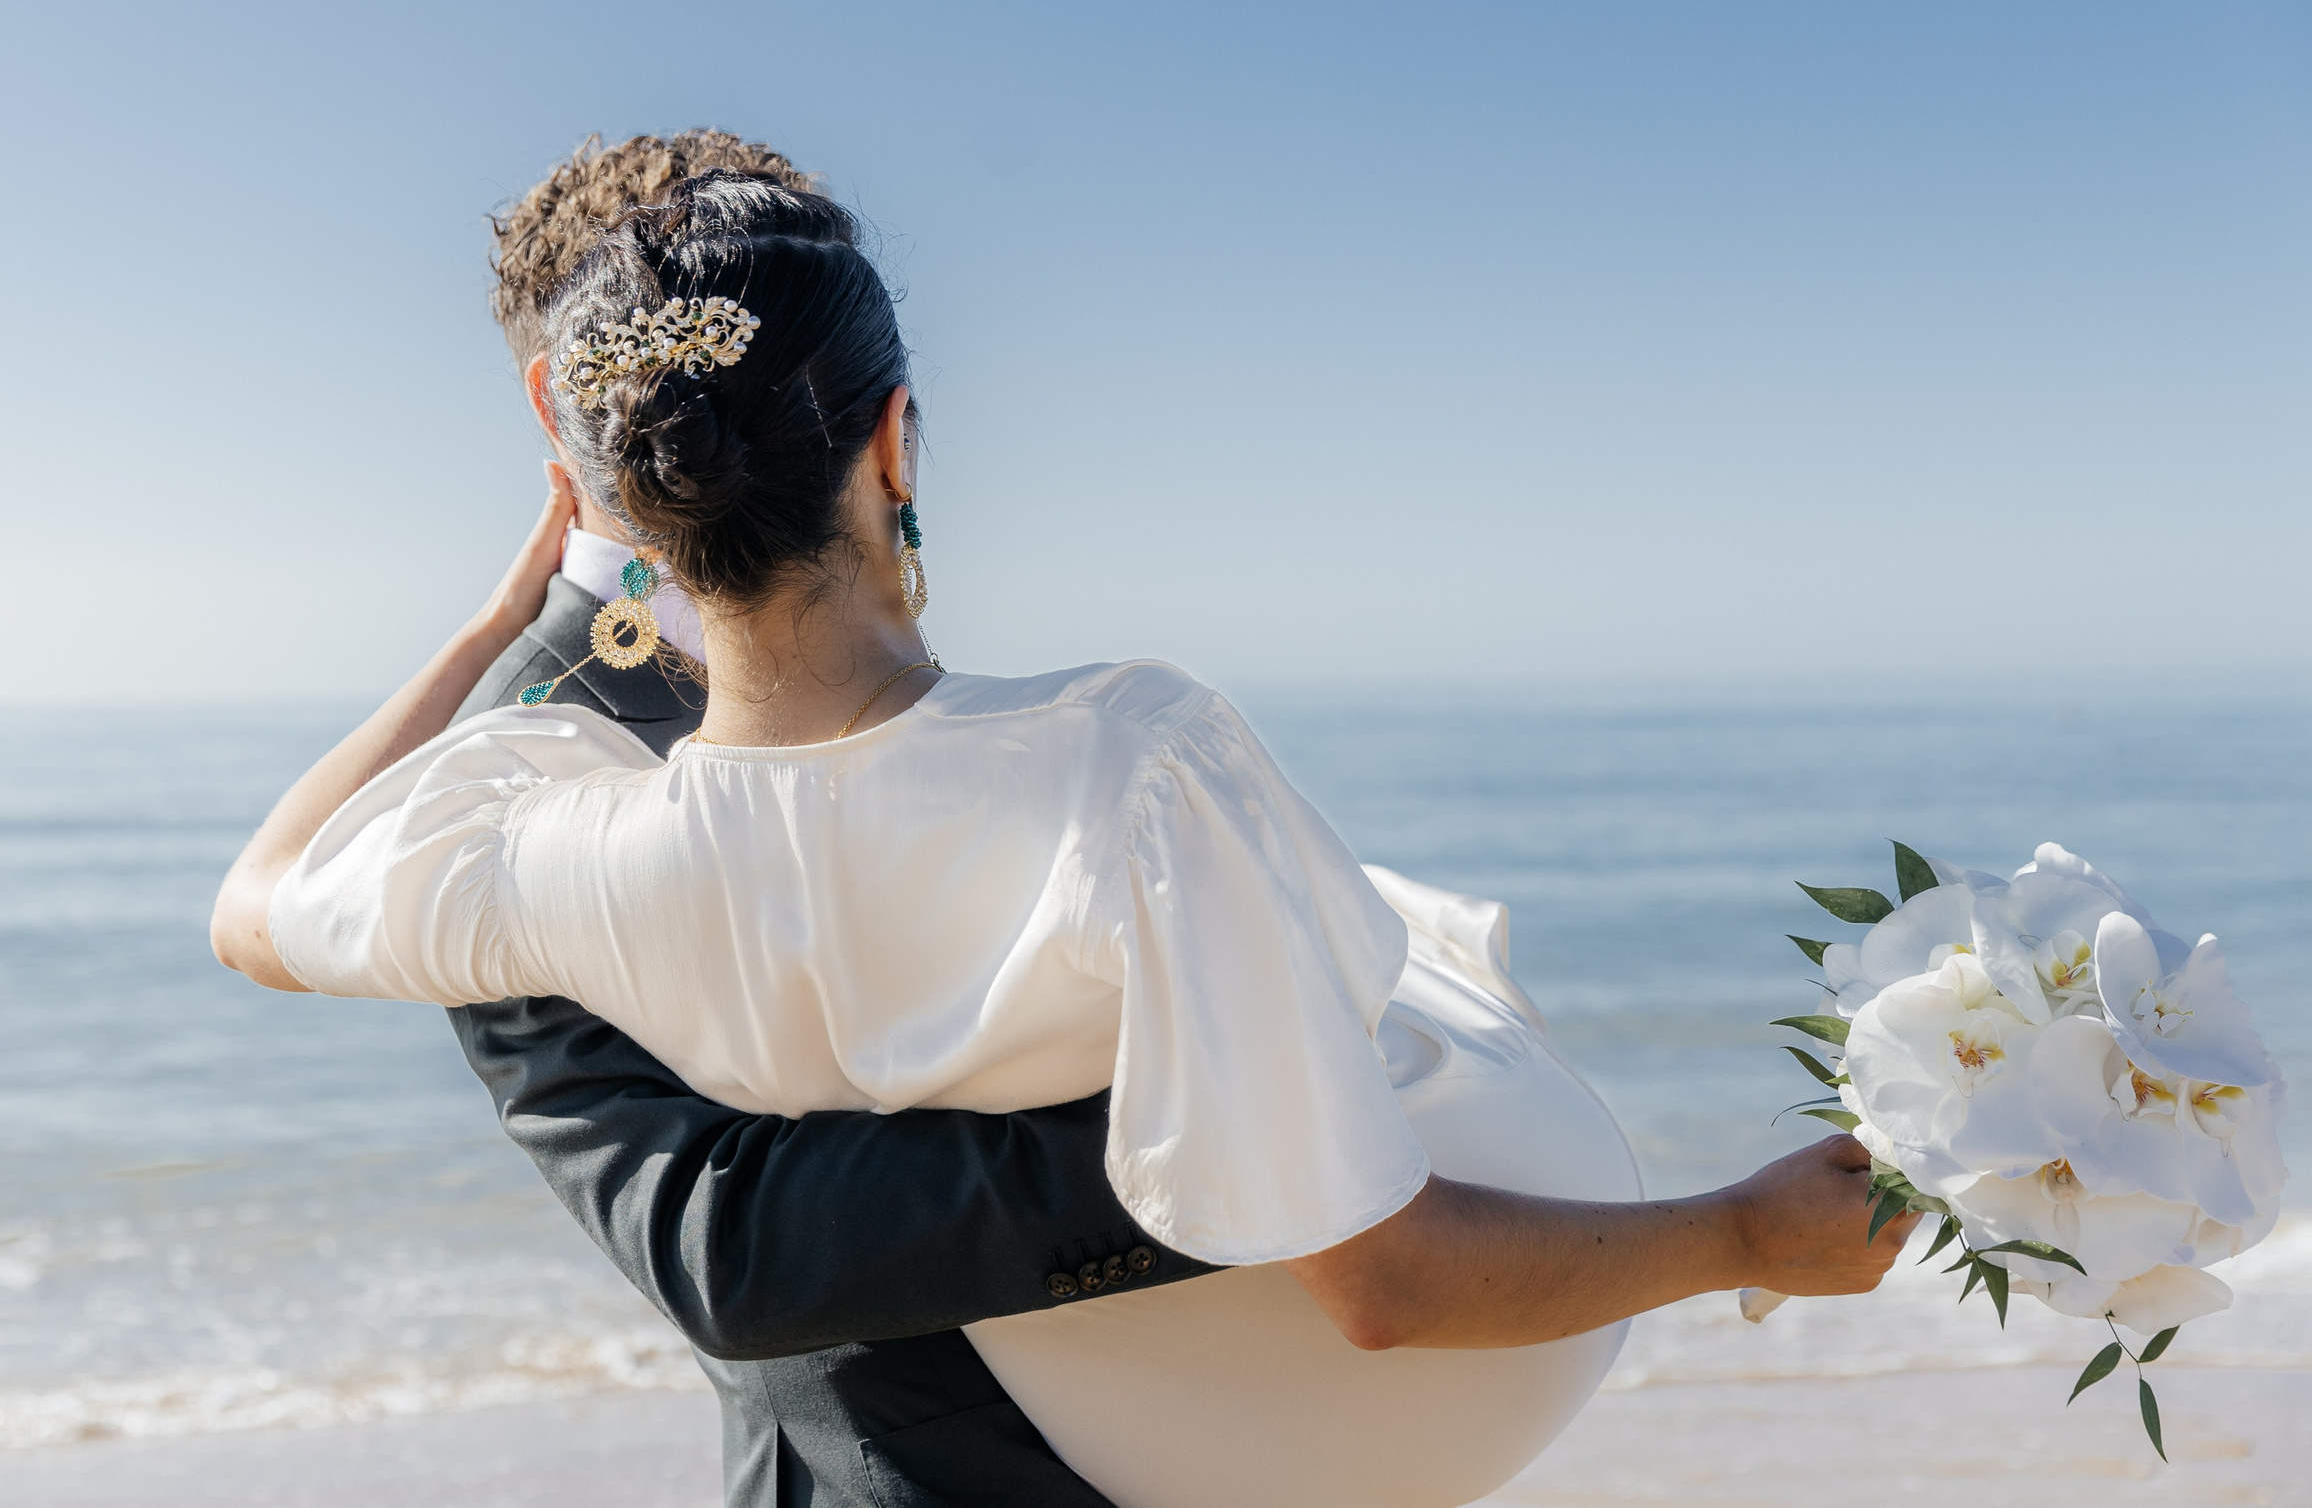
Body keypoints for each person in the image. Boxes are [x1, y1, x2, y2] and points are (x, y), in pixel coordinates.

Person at [213, 171, 1913, 1505]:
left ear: (610, 483)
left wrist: (491, 618)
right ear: (893, 439)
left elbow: (256, 902)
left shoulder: (536, 833)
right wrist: (1740, 1232)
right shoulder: (1136, 760)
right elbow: (1385, 1282)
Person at [451, 130, 1218, 1508]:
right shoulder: (519, 756)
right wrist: (1242, 1137)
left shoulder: (847, 603)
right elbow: (725, 1241)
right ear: (558, 399)